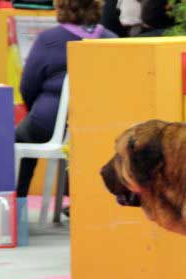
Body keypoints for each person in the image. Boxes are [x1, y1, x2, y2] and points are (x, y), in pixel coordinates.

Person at [15, 0, 117, 198]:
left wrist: (36, 108)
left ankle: (19, 204)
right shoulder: (111, 39)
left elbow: (28, 86)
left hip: (49, 122)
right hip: (99, 124)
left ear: (61, 7)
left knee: (20, 137)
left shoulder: (48, 39)